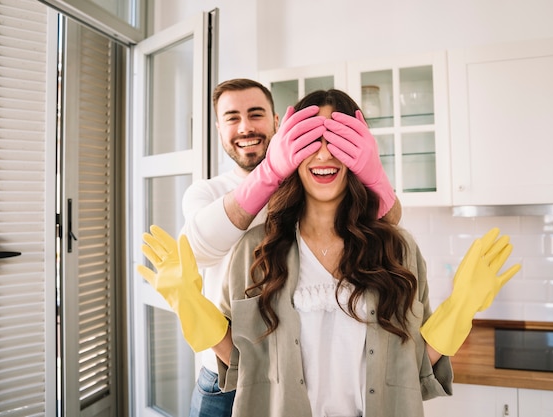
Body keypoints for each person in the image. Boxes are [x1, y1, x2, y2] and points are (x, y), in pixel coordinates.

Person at [140, 89, 521, 417]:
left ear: (361, 152)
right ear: (289, 149)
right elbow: (243, 367)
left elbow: (413, 368)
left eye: (339, 140)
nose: (324, 154)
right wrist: (187, 303)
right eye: (310, 139)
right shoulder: (255, 250)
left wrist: (462, 308)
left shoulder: (396, 248)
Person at [178, 79, 402, 417]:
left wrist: (374, 176)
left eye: (256, 114)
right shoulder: (205, 193)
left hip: (288, 371)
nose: (245, 127)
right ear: (219, 128)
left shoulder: (310, 181)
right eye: (231, 117)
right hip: (223, 371)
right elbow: (196, 249)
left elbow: (389, 223)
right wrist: (270, 171)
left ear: (279, 122)